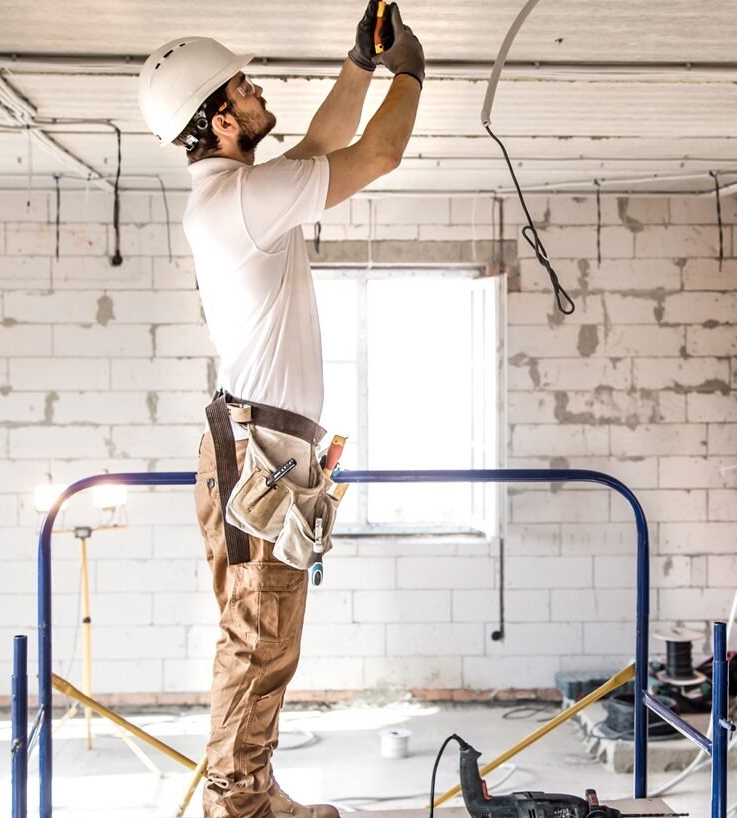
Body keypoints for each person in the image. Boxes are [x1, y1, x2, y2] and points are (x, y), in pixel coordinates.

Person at [137, 4, 424, 816]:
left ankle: (251, 796)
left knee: (261, 637)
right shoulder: (238, 202)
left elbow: (320, 148)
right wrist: (412, 72)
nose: (261, 90)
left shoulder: (241, 191)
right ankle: (239, 807)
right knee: (259, 639)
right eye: (247, 85)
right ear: (224, 118)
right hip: (260, 450)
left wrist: (360, 65)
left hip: (260, 445)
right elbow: (378, 152)